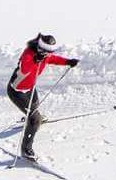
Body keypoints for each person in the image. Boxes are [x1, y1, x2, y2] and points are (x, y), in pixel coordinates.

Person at [7, 33, 79, 161]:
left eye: (50, 52)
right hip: (17, 91)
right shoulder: (28, 54)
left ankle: (31, 116)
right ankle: (26, 149)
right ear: (41, 48)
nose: (48, 54)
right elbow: (24, 69)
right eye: (47, 52)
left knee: (35, 108)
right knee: (35, 120)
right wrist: (36, 60)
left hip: (30, 88)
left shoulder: (44, 56)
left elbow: (54, 59)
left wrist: (68, 61)